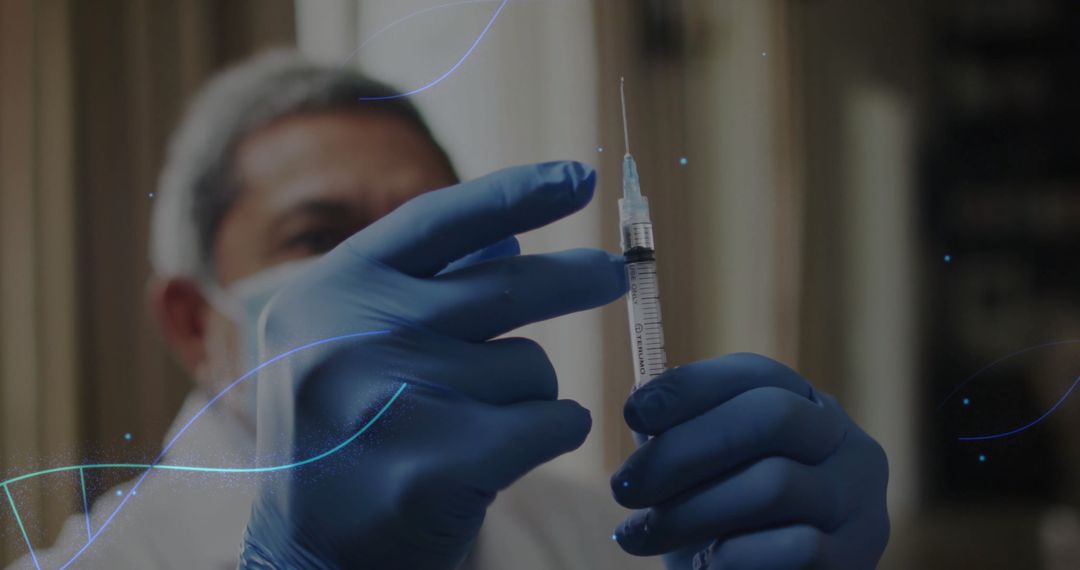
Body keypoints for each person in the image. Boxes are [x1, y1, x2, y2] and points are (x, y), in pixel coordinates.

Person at [15, 51, 889, 569]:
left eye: (421, 232)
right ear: (192, 322)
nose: (390, 279)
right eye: (318, 238)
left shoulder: (596, 534)